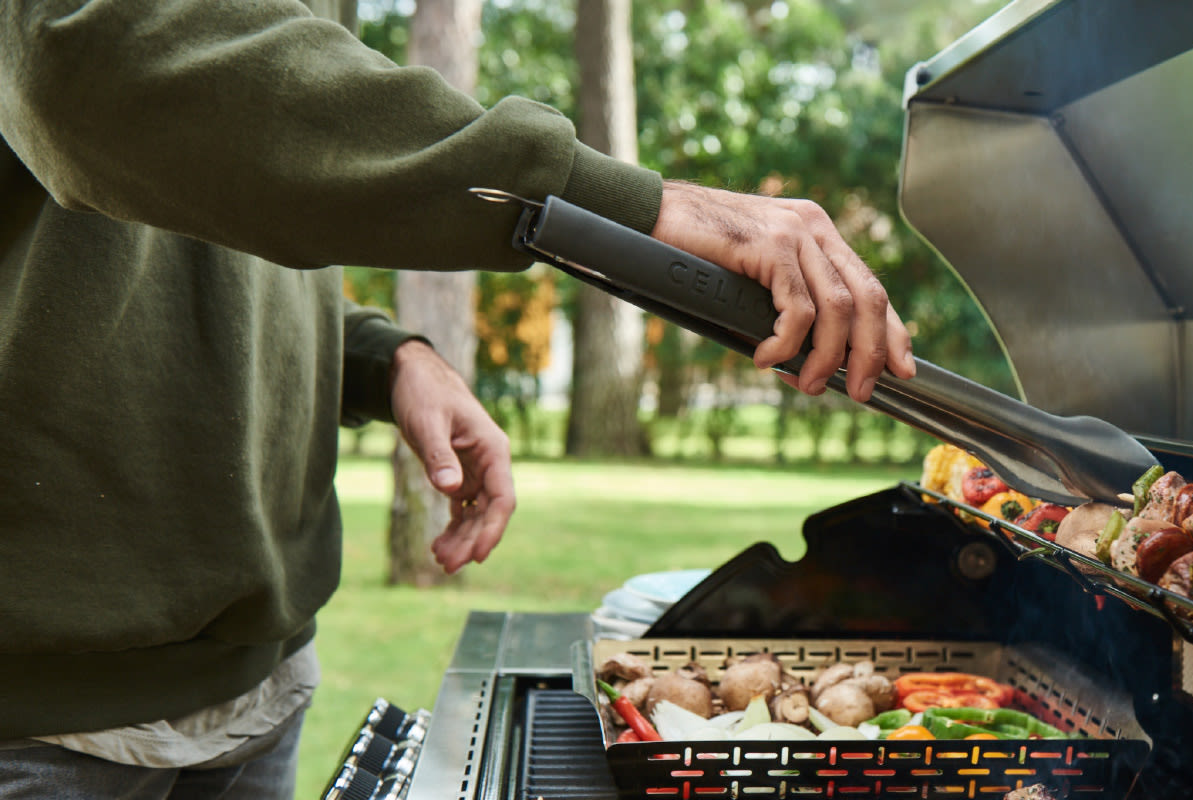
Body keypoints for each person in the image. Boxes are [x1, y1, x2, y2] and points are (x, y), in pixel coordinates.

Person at [0, 0, 916, 797]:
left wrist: (382, 357)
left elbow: (232, 192)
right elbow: (97, 57)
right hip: (44, 704)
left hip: (258, 667)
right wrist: (623, 205)